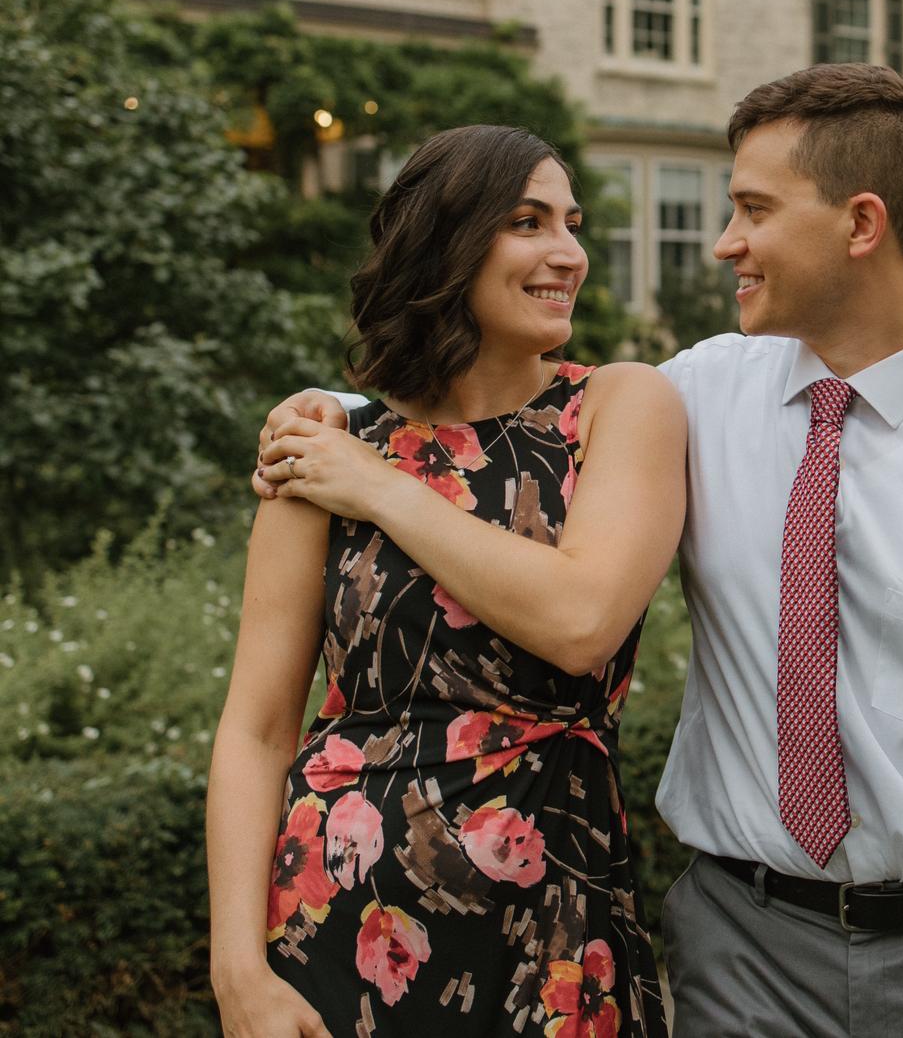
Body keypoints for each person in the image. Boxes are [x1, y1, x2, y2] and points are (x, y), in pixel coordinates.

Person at [257, 64, 903, 1038]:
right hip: (740, 948)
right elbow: (496, 413)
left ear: (860, 225)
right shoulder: (694, 395)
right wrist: (339, 415)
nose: (722, 239)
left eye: (751, 208)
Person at [208, 125, 684, 1038]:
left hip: (555, 937)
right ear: (447, 243)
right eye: (528, 221)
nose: (570, 254)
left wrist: (380, 487)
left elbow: (581, 619)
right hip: (331, 927)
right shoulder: (325, 453)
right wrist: (238, 975)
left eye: (573, 224)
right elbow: (257, 729)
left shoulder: (619, 407)